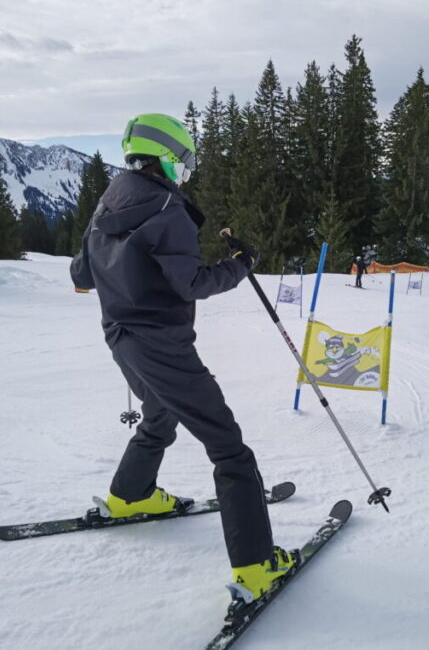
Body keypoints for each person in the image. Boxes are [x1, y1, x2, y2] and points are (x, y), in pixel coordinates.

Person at [69, 113, 293, 604]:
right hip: (161, 345)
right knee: (229, 448)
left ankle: (131, 496)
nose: (185, 173)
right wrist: (239, 265)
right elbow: (192, 284)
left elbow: (81, 275)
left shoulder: (110, 199)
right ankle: (257, 566)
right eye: (184, 162)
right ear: (166, 158)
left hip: (120, 338)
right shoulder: (168, 208)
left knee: (161, 412)